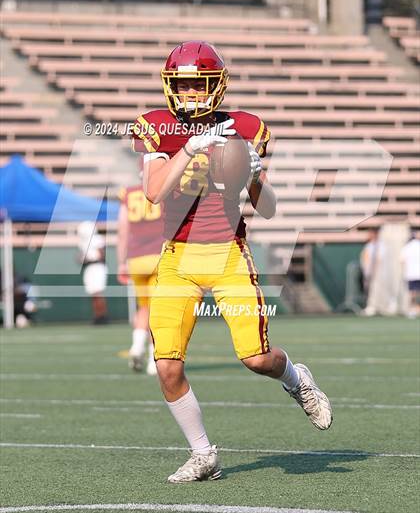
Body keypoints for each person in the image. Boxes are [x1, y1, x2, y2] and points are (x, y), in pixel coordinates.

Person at [131, 41, 332, 483]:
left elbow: (269, 209)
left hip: (228, 254)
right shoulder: (157, 126)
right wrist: (189, 149)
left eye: (198, 85)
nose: (189, 94)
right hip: (177, 257)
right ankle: (203, 454)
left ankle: (297, 380)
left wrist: (255, 177)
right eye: (182, 85)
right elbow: (154, 192)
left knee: (256, 358)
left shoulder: (244, 127)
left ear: (216, 87)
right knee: (167, 365)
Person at [117, 181, 164, 374]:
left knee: (143, 306)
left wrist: (121, 262)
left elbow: (122, 231)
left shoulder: (128, 193)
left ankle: (137, 346)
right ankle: (154, 359)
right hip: (158, 256)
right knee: (157, 310)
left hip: (136, 259)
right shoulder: (163, 189)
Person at [77, 221, 108, 325]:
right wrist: (82, 259)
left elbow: (101, 255)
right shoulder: (83, 242)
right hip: (89, 268)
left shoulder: (97, 239)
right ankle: (97, 316)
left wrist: (89, 259)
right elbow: (81, 257)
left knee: (97, 293)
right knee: (93, 294)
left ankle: (102, 316)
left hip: (97, 267)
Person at [400, 232, 420, 318]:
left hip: (410, 274)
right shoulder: (408, 247)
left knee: (412, 293)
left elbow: (401, 261)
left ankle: (412, 310)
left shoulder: (406, 247)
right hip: (414, 273)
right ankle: (414, 310)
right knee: (414, 293)